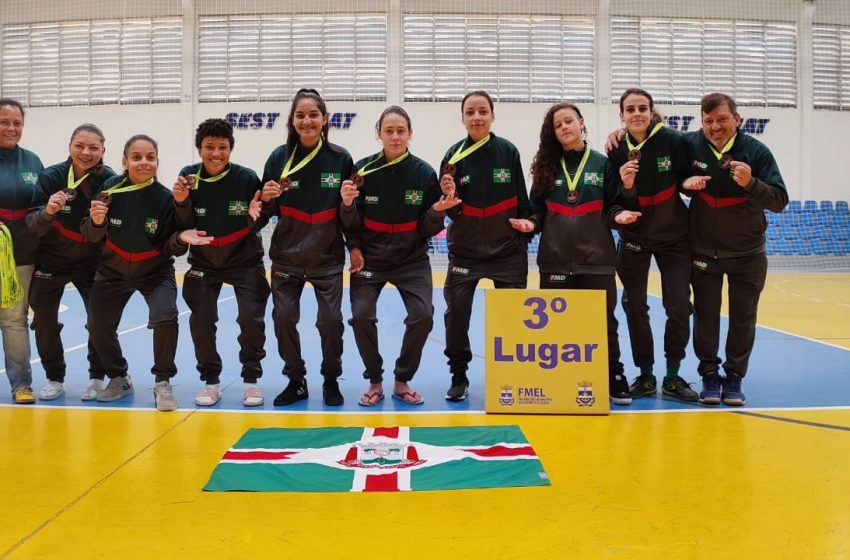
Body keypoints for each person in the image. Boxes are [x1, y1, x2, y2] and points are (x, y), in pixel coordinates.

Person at [510, 103, 641, 405]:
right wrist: (530, 223)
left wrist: (619, 216)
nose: (564, 127)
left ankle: (613, 374)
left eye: (569, 121)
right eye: (558, 125)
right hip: (554, 260)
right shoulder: (546, 167)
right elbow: (537, 212)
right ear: (553, 133)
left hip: (597, 260)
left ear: (581, 123)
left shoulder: (602, 164)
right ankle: (559, 377)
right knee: (556, 328)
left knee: (604, 322)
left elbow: (613, 206)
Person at [82, 134, 211, 411]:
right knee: (97, 325)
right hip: (112, 271)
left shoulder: (166, 198)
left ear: (157, 161)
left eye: (150, 157)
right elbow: (91, 234)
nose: (144, 162)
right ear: (124, 162)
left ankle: (163, 382)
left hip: (154, 271)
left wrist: (181, 238)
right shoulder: (109, 189)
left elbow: (172, 248)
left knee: (165, 315)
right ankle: (119, 376)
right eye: (137, 157)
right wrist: (94, 222)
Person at [340, 106, 459, 406]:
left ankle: (402, 379)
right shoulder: (361, 172)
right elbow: (349, 222)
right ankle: (375, 380)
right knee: (362, 315)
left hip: (411, 259)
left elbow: (427, 227)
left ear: (410, 134)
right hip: (370, 259)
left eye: (400, 131)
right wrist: (349, 216)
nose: (395, 136)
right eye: (389, 131)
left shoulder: (423, 173)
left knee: (423, 316)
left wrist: (436, 212)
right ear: (378, 133)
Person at [681, 93, 788, 406]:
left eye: (722, 119)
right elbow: (656, 146)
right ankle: (710, 375)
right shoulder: (689, 145)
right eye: (709, 121)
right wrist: (618, 135)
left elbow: (780, 200)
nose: (715, 127)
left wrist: (752, 184)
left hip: (748, 254)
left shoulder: (756, 151)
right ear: (701, 122)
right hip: (702, 251)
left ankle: (735, 376)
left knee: (743, 318)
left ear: (737, 120)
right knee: (705, 316)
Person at [258, 88, 355, 407]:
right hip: (287, 257)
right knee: (283, 318)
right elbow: (266, 211)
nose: (307, 120)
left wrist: (353, 246)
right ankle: (296, 380)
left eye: (313, 114)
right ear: (292, 120)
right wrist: (265, 199)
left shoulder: (341, 159)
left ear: (325, 119)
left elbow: (349, 210)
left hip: (327, 258)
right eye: (300, 115)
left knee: (330, 321)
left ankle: (330, 378)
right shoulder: (278, 158)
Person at [607, 88, 698, 402]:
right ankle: (645, 375)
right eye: (629, 109)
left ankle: (673, 376)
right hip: (635, 239)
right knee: (634, 306)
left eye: (642, 108)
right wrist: (628, 188)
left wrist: (689, 184)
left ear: (651, 111)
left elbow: (688, 181)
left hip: (674, 238)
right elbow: (618, 199)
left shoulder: (673, 140)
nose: (636, 114)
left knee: (677, 305)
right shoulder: (616, 148)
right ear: (621, 115)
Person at [439, 90, 530, 402]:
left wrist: (526, 228)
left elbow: (522, 200)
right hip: (465, 252)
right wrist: (448, 202)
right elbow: (448, 209)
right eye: (470, 112)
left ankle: (513, 374)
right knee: (457, 314)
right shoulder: (452, 157)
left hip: (507, 252)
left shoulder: (508, 152)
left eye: (482, 111)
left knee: (514, 316)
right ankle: (459, 375)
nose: (476, 117)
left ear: (492, 115)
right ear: (462, 118)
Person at [173, 118, 270, 408]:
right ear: (199, 148)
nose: (216, 153)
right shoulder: (188, 177)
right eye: (209, 147)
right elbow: (182, 223)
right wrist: (180, 202)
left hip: (244, 259)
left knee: (251, 319)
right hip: (203, 261)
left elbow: (260, 218)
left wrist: (258, 214)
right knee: (201, 320)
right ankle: (210, 382)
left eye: (223, 147)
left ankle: (251, 381)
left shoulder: (247, 178)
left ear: (231, 149)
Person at [27, 124, 115, 401]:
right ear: (70, 146)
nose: (86, 153)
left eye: (93, 148)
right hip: (51, 260)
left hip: (91, 261)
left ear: (103, 150)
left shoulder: (109, 180)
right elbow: (31, 222)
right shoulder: (52, 176)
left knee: (98, 320)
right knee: (43, 321)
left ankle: (97, 377)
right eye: (80, 146)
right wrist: (47, 212)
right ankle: (55, 377)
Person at [0, 98, 43, 404]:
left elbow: (40, 205)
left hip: (22, 255)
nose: (11, 128)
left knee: (15, 320)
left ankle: (21, 384)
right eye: (4, 122)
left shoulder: (32, 162)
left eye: (17, 123)